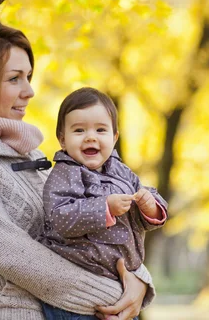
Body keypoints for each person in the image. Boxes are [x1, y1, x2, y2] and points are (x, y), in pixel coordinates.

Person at [0, 17, 155, 320]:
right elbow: (14, 256)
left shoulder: (28, 152)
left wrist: (138, 279)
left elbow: (93, 227)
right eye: (14, 78)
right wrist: (116, 293)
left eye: (28, 76)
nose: (29, 91)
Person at [38, 87, 168, 320]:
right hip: (76, 295)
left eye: (100, 130)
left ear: (114, 137)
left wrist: (151, 207)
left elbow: (139, 211)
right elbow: (60, 217)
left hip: (118, 288)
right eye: (79, 130)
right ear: (62, 139)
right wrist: (104, 207)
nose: (91, 137)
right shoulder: (65, 174)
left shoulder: (121, 172)